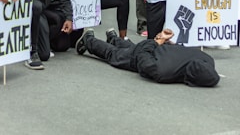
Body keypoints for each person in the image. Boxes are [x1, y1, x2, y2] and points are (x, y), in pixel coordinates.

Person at [75, 28, 220, 87]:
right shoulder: (164, 72)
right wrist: (157, 41)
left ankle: (114, 38)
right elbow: (142, 58)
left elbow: (179, 47)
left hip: (158, 50)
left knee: (132, 48)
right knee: (114, 55)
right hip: (150, 52)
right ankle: (89, 41)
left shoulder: (206, 59)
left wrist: (164, 42)